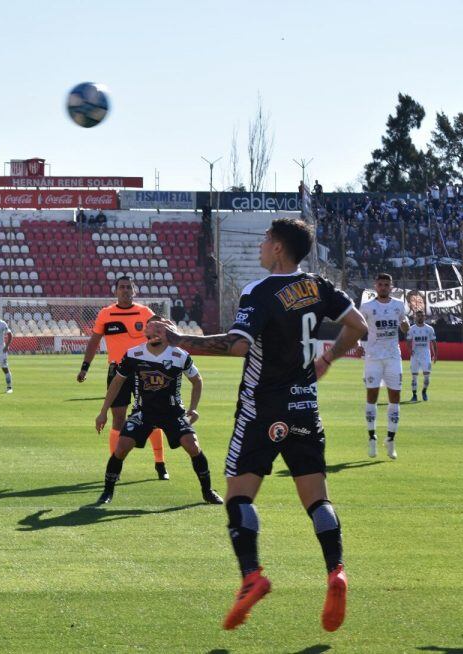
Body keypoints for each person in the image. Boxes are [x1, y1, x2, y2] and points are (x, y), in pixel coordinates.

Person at [150, 217, 366, 632]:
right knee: (317, 498)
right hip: (305, 406)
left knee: (239, 496)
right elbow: (358, 327)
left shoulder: (261, 291)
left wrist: (179, 340)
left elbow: (237, 346)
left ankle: (251, 574)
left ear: (280, 248)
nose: (261, 246)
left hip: (262, 408)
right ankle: (335, 570)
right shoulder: (320, 286)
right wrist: (327, 358)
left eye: (266, 240)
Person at [94, 316, 223, 506]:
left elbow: (197, 380)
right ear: (145, 332)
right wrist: (103, 411)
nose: (154, 333)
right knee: (121, 447)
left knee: (192, 445)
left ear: (168, 333)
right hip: (143, 411)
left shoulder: (179, 355)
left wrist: (194, 408)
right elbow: (117, 382)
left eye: (159, 329)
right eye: (151, 329)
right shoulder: (133, 354)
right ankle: (107, 492)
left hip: (173, 412)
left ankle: (207, 491)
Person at [77, 276, 169, 480]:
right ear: (116, 291)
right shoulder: (106, 313)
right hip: (117, 370)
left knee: (152, 416)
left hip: (144, 370)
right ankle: (114, 465)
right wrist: (85, 367)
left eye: (129, 287)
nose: (125, 290)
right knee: (118, 417)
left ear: (134, 291)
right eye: (122, 287)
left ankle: (160, 464)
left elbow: (162, 334)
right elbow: (94, 341)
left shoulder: (145, 313)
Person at [357, 273, 409, 459]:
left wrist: (405, 325)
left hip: (393, 357)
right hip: (373, 357)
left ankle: (390, 439)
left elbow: (405, 325)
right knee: (372, 396)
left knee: (395, 397)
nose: (383, 287)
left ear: (391, 286)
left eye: (386, 284)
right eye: (380, 284)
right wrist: (357, 344)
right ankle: (372, 438)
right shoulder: (367, 307)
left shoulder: (399, 305)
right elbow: (357, 326)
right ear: (375, 286)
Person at [407, 310, 437, 402]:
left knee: (427, 376)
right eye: (418, 316)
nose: (420, 317)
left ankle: (424, 391)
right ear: (415, 317)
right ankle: (414, 395)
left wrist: (435, 354)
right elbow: (408, 340)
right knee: (414, 376)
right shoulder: (411, 329)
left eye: (422, 316)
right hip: (415, 355)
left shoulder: (429, 329)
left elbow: (433, 342)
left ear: (425, 317)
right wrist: (410, 350)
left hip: (426, 355)